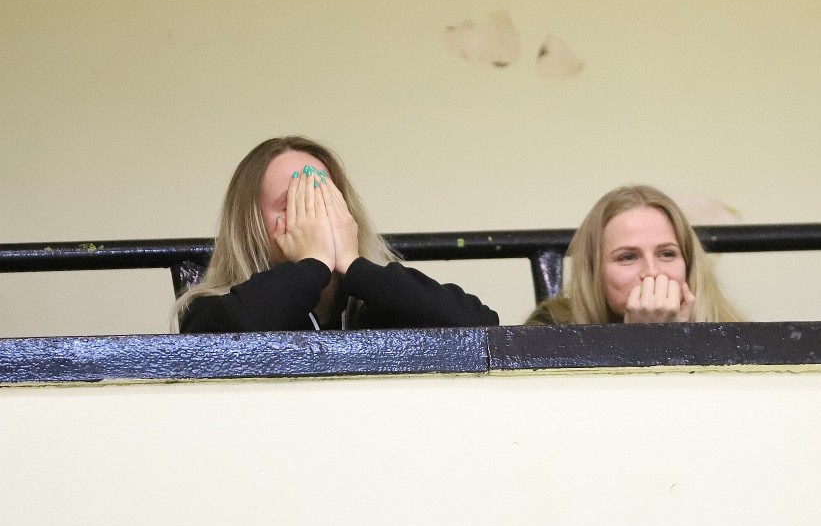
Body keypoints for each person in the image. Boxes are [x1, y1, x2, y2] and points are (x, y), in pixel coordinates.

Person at [175, 136, 499, 332]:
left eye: (324, 199)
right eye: (293, 204)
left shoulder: (381, 303)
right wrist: (313, 264)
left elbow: (479, 326)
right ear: (251, 224)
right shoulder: (210, 309)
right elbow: (227, 336)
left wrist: (353, 265)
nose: (314, 217)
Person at [525, 185, 741, 325]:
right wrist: (639, 339)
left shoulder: (733, 336)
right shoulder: (551, 328)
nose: (652, 272)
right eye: (627, 257)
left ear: (689, 264)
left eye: (667, 254)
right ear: (594, 270)